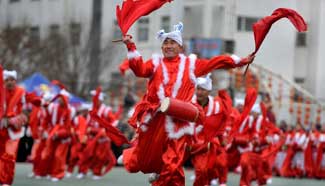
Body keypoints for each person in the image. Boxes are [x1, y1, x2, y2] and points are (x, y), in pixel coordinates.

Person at [121, 22, 255, 185]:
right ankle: (158, 171)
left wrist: (240, 61)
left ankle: (164, 174)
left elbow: (216, 62)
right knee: (144, 160)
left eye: (172, 43)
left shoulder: (191, 65)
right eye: (166, 43)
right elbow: (139, 70)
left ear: (180, 47)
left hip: (179, 123)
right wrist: (130, 46)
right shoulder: (155, 63)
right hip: (156, 120)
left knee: (173, 164)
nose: (168, 46)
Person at [190, 75, 231, 186]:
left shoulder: (217, 106)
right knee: (171, 166)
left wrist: (222, 138)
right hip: (185, 140)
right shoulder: (189, 101)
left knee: (202, 170)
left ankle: (215, 180)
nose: (199, 92)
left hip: (203, 144)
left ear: (208, 91)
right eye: (198, 89)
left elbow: (220, 123)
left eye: (202, 90)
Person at [0, 70, 28, 186]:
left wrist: (16, 119)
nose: (10, 82)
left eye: (12, 80)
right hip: (1, 128)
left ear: (15, 81)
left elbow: (23, 112)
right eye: (7, 80)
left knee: (10, 156)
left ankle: (6, 181)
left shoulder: (21, 93)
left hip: (13, 131)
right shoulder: (1, 92)